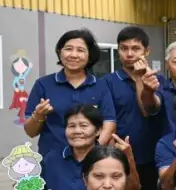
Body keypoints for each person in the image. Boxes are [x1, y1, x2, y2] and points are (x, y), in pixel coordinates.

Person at [25, 28, 117, 157]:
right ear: (59, 52)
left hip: (90, 160)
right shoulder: (43, 84)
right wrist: (38, 115)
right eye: (68, 49)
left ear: (89, 55)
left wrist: (91, 153)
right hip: (51, 159)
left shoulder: (101, 86)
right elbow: (30, 132)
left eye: (80, 50)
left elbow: (109, 123)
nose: (73, 55)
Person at [37, 104, 140, 190]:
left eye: (83, 126)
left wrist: (128, 158)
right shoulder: (51, 159)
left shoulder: (109, 158)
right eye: (71, 126)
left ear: (98, 131)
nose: (77, 131)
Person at [102, 26, 163, 190]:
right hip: (119, 156)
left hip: (152, 157)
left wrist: (139, 79)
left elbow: (148, 111)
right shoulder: (106, 82)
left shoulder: (158, 80)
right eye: (124, 48)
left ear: (147, 51)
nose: (129, 54)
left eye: (136, 49)